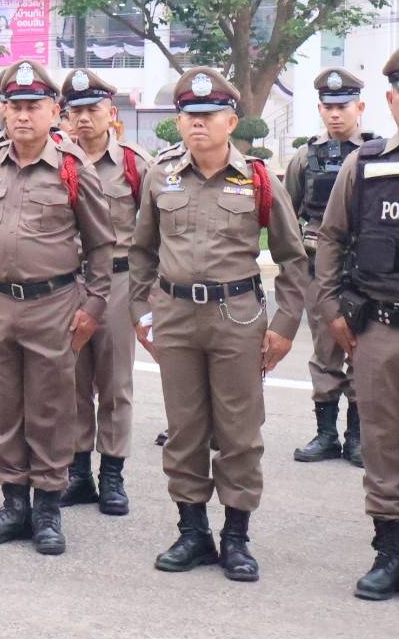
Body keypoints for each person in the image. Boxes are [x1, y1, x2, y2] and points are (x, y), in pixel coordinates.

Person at [130, 67, 306, 582]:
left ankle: (235, 537)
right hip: (176, 318)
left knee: (239, 433)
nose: (198, 123)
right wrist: (142, 312)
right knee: (184, 430)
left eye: (209, 115)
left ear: (231, 121)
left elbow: (294, 259)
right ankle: (192, 533)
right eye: (190, 115)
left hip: (238, 318)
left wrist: (285, 324)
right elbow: (140, 251)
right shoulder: (160, 176)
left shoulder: (258, 179)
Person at [0, 60, 115, 556]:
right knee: (4, 409)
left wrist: (93, 306)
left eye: (34, 106)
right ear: (3, 110)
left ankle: (47, 507)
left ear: (53, 111)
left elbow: (101, 245)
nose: (23, 115)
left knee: (50, 409)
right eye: (15, 106)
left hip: (53, 305)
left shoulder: (72, 167)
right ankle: (13, 505)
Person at [315, 43, 399, 604]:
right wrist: (333, 309)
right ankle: (390, 553)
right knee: (382, 446)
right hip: (378, 329)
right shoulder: (364, 164)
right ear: (390, 99)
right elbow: (331, 239)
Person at [59, 68, 153, 516]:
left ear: (110, 113)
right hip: (69, 282)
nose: (83, 119)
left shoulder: (134, 164)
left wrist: (148, 292)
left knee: (115, 382)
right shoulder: (58, 161)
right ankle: (78, 472)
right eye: (75, 110)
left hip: (118, 280)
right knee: (72, 381)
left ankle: (112, 474)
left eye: (92, 109)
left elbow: (154, 231)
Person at [286, 67, 372, 466]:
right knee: (325, 351)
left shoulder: (373, 155)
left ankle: (357, 436)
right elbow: (287, 212)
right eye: (329, 107)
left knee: (361, 351)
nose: (335, 114)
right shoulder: (305, 157)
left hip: (365, 272)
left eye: (343, 106)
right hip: (319, 270)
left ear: (360, 107)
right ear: (320, 109)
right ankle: (325, 434)